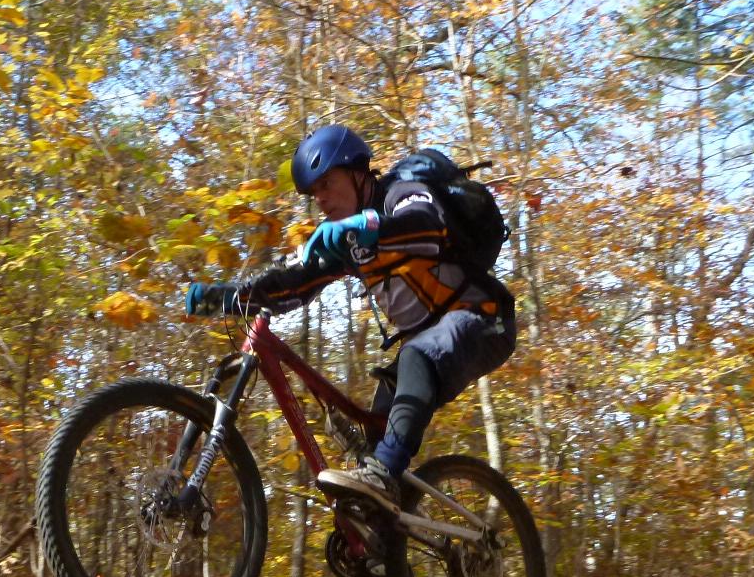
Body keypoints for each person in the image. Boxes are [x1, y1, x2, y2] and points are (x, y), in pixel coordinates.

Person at [186, 124, 517, 522]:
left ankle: (382, 475)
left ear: (359, 173)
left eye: (327, 183)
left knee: (417, 357)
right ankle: (377, 559)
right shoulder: (350, 242)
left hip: (482, 319)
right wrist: (229, 297)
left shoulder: (400, 194)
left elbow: (427, 224)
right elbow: (294, 284)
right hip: (428, 337)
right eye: (314, 193)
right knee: (376, 435)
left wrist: (368, 226)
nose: (321, 199)